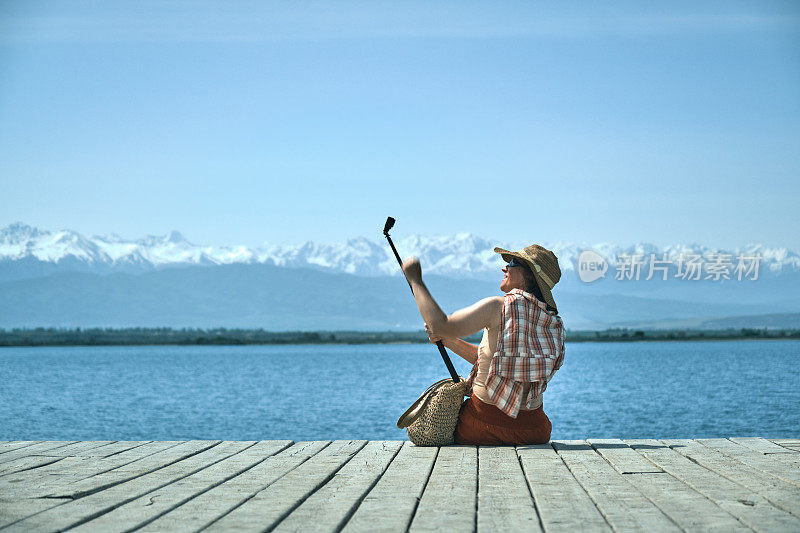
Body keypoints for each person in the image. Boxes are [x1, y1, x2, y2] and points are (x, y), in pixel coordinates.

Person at [401, 244, 566, 445]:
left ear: (527, 276)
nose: (504, 268)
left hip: (481, 426)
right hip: (535, 430)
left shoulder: (498, 307)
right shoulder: (553, 323)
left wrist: (415, 279)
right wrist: (448, 341)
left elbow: (441, 325)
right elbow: (497, 363)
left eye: (512, 263)